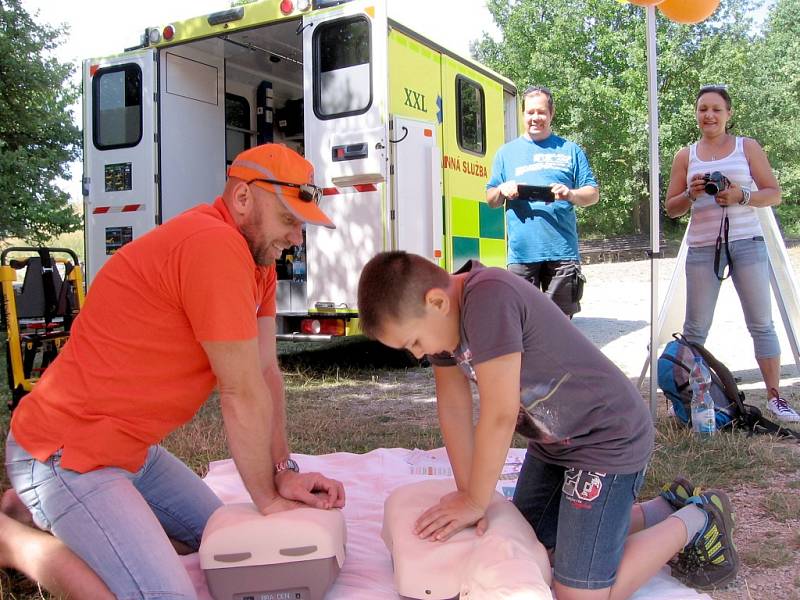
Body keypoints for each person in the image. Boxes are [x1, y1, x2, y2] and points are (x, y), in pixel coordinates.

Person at [4, 143, 346, 598]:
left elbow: (264, 374)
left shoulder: (256, 264)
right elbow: (239, 393)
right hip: (67, 454)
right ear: (243, 198)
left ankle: (36, 511)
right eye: (288, 220)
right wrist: (267, 500)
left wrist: (282, 471)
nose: (296, 239)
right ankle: (14, 543)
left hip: (133, 453)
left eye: (300, 225)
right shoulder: (214, 244)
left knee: (226, 543)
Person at [357, 251, 740, 599]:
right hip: (554, 445)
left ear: (436, 302)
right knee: (534, 550)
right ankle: (665, 506)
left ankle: (700, 516)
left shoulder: (489, 297)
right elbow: (454, 407)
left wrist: (475, 500)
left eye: (414, 341)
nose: (419, 353)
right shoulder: (445, 322)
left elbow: (500, 414)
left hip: (606, 441)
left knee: (578, 595)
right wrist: (467, 495)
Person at [665, 85, 799, 423]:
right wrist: (692, 194)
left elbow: (774, 194)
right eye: (702, 109)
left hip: (747, 241)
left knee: (761, 323)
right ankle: (690, 402)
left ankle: (774, 397)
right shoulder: (686, 155)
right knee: (695, 328)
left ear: (728, 114)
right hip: (702, 247)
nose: (708, 115)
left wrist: (741, 196)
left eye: (716, 109)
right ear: (696, 113)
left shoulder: (747, 147)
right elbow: (671, 208)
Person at [486, 85, 599, 318]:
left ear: (551, 113)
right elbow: (491, 199)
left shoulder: (570, 150)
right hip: (521, 255)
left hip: (562, 253)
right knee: (520, 324)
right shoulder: (506, 153)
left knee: (560, 327)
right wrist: (502, 190)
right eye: (530, 112)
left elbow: (592, 194)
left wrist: (570, 194)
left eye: (541, 112)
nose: (535, 118)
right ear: (523, 114)